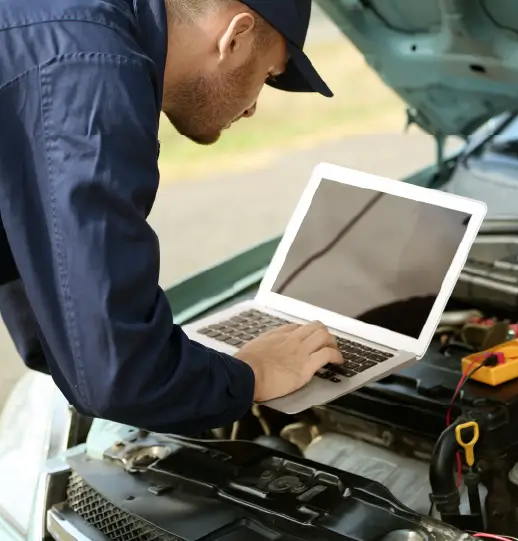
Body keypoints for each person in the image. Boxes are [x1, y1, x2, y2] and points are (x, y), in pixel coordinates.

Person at [0, 0, 344, 434]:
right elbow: (117, 376)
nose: (255, 106)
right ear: (234, 38)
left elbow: (52, 319)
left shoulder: (73, 26)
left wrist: (170, 361)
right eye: (269, 75)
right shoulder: (93, 73)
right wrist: (251, 375)